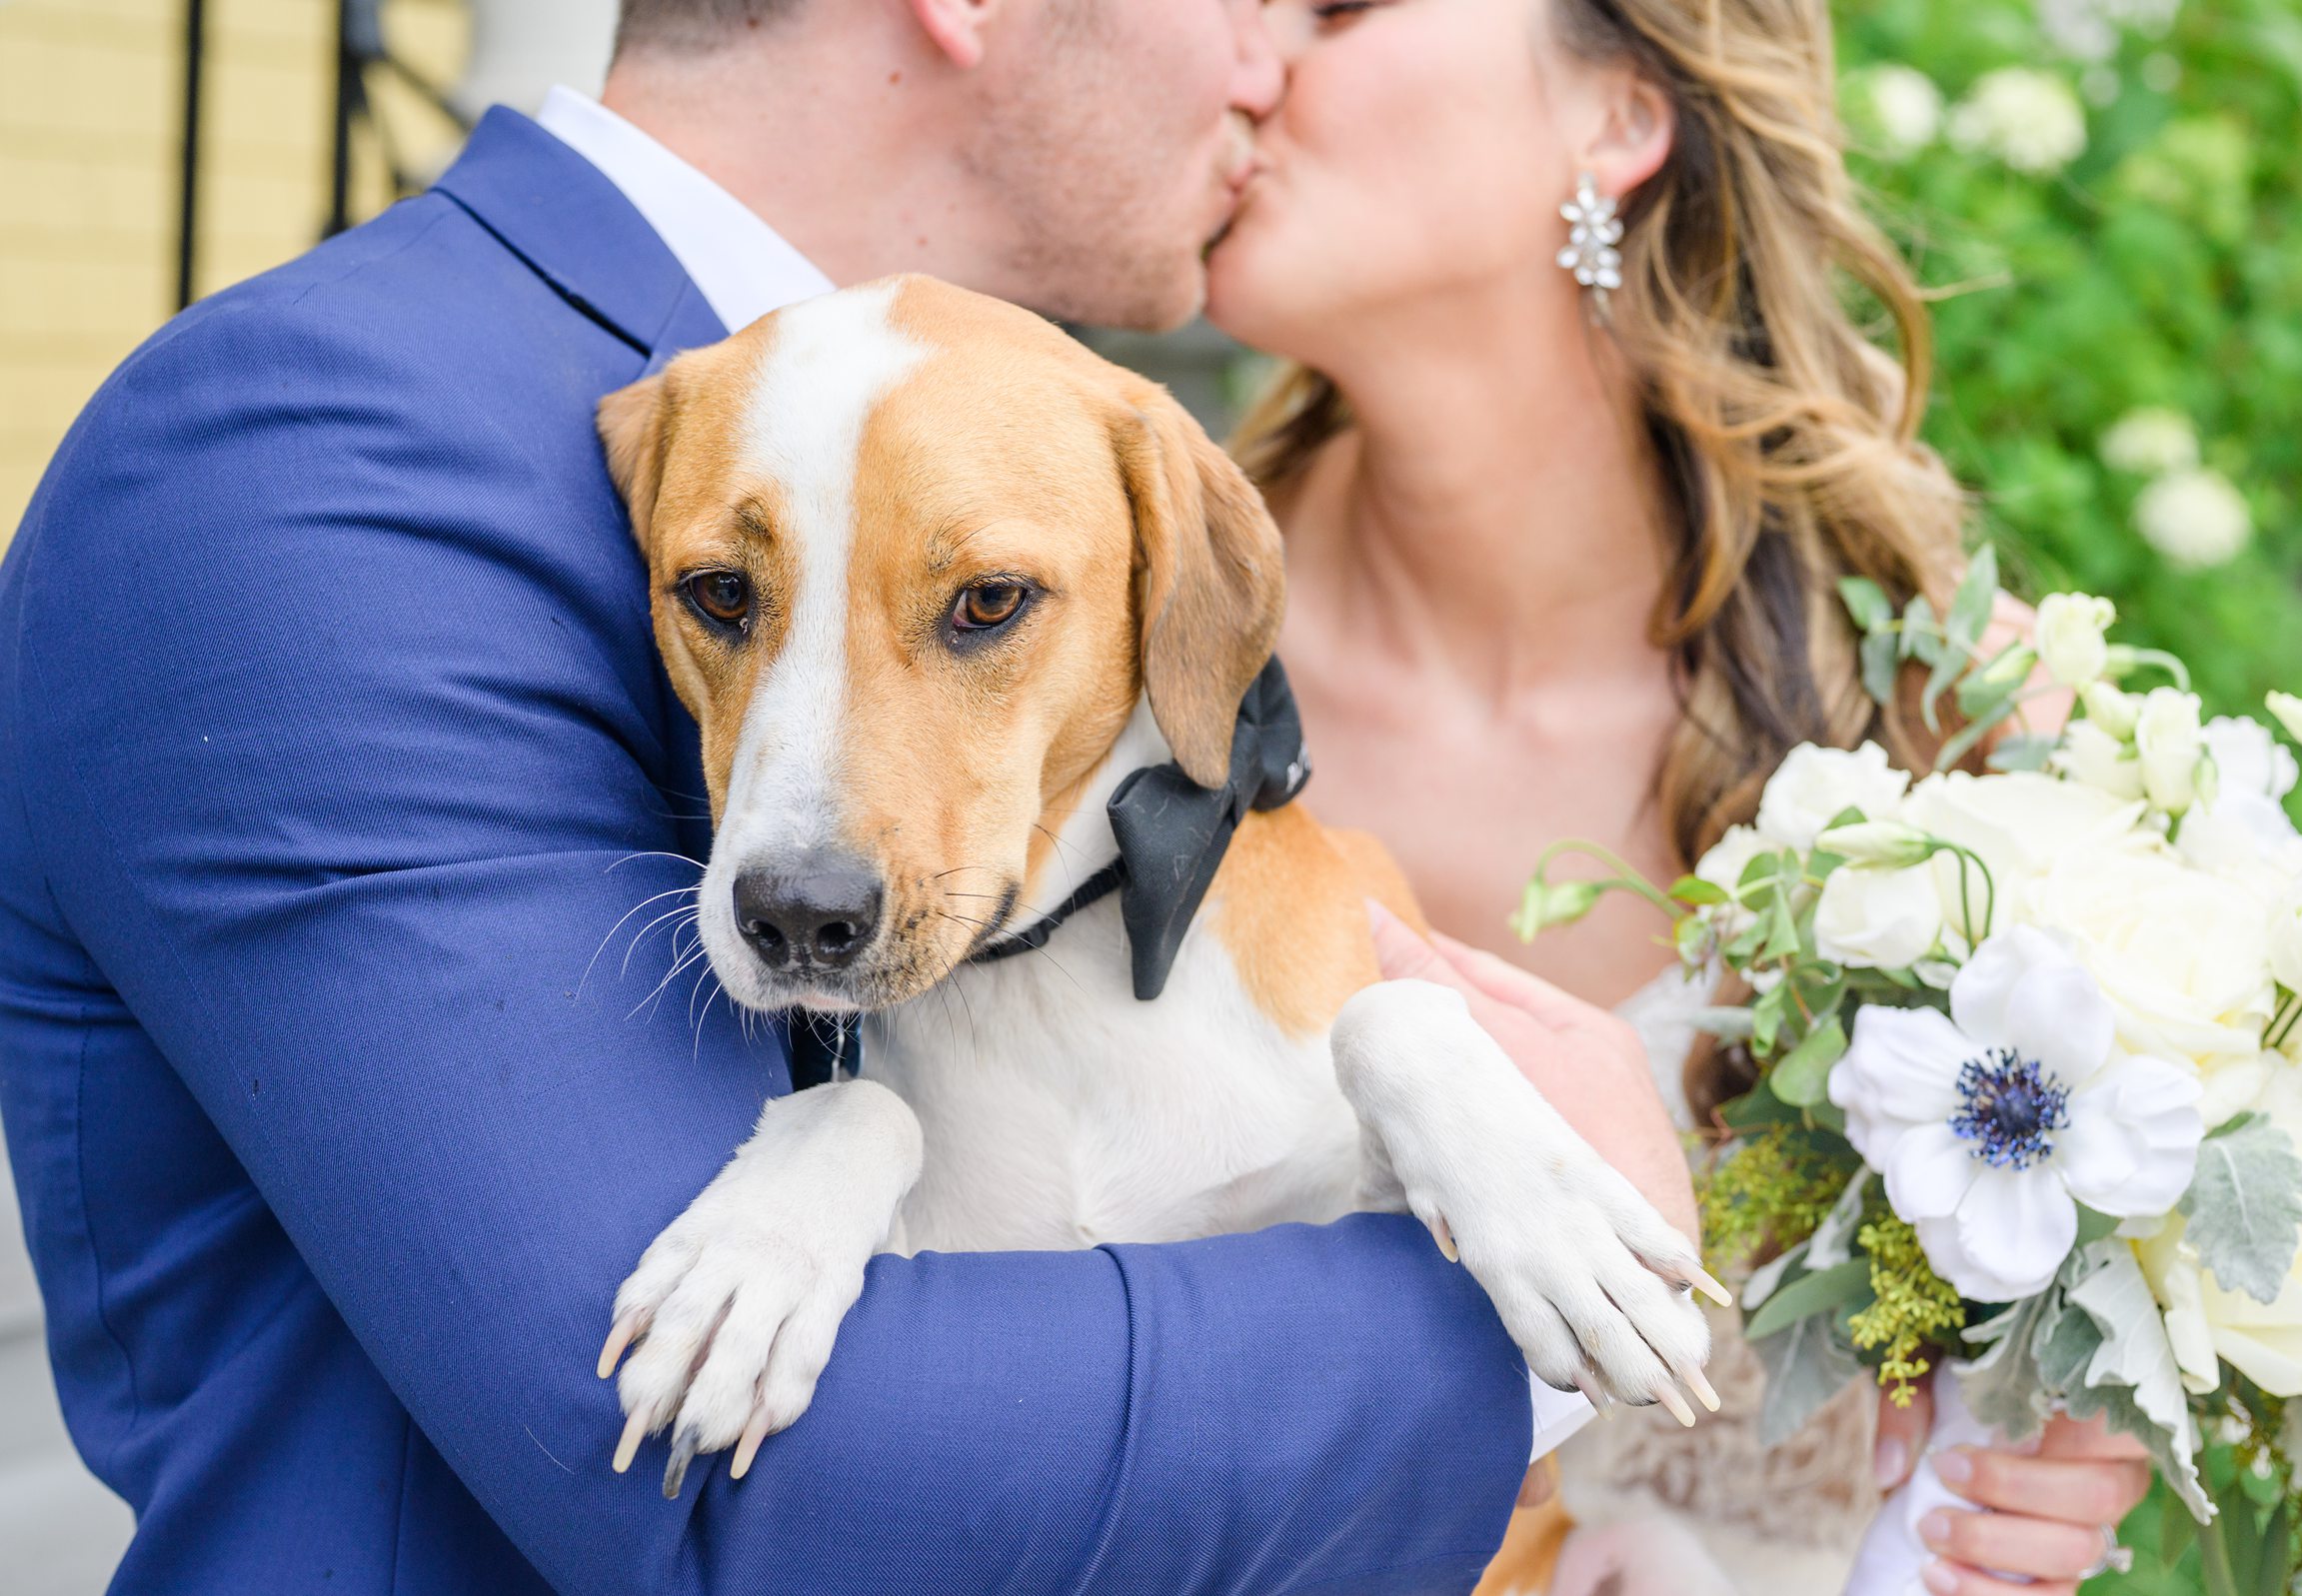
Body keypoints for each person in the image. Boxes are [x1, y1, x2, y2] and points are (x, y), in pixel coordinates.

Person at [0, 2, 1685, 1591]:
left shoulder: (1023, 431)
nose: (1277, 56)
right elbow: (724, 1486)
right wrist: (1519, 1348)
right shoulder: (305, 456)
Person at [1202, 1, 2154, 1593]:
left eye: (1340, 5)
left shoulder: (1955, 720)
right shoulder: (1130, 657)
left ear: (1621, 115)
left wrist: (2063, 1444)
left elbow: (2102, 1277)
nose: (1243, 48)